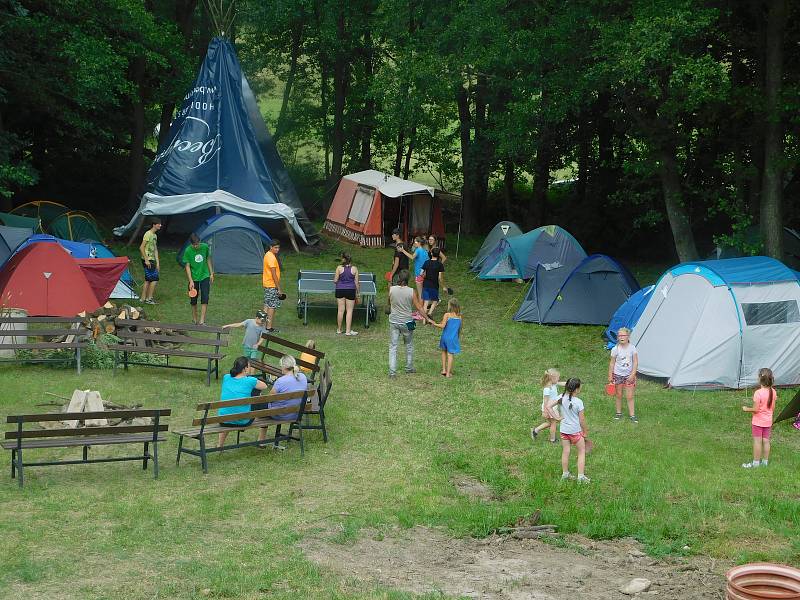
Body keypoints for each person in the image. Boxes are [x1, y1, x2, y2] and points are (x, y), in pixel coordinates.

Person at [387, 269, 433, 378]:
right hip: (407, 322)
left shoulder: (391, 289)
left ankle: (392, 372)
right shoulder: (412, 291)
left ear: (398, 278)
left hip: (394, 321)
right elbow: (419, 308)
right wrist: (427, 318)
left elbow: (389, 302)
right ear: (408, 279)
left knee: (393, 347)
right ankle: (409, 367)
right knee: (409, 345)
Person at [217, 357, 268, 448]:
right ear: (244, 369)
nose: (250, 368)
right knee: (259, 400)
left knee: (231, 408)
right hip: (243, 421)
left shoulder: (226, 377)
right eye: (249, 366)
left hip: (223, 419)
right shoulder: (250, 380)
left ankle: (219, 445)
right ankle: (261, 440)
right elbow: (264, 386)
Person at [546, 377, 590, 483]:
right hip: (575, 432)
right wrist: (585, 431)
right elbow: (582, 419)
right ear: (576, 389)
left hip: (564, 431)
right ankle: (580, 477)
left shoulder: (561, 397)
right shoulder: (578, 402)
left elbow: (548, 406)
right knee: (581, 452)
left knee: (566, 451)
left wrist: (556, 418)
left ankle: (565, 474)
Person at [261, 355, 309, 449]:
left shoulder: (280, 381)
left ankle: (261, 440)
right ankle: (261, 441)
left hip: (280, 414)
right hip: (296, 414)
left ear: (284, 367)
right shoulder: (303, 377)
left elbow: (269, 398)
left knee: (262, 406)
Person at [742, 367, 776, 468]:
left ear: (759, 379)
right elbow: (772, 407)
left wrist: (746, 409)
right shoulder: (773, 391)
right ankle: (764, 463)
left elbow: (756, 409)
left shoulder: (758, 393)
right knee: (766, 441)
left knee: (757, 441)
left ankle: (755, 464)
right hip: (768, 421)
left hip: (758, 422)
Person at [608, 327, 638, 422]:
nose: (621, 337)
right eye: (619, 335)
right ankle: (618, 413)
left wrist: (633, 374)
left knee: (629, 396)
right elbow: (612, 363)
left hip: (629, 375)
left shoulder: (632, 348)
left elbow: (635, 362)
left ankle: (632, 415)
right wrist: (610, 375)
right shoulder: (615, 349)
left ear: (628, 336)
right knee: (618, 394)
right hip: (618, 375)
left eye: (623, 335)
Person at [183, 233, 214, 324]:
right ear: (191, 244)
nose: (196, 246)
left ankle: (202, 320)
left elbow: (208, 259)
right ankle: (194, 319)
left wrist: (211, 273)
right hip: (193, 277)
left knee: (205, 297)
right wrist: (191, 281)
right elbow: (187, 266)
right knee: (193, 298)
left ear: (200, 242)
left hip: (205, 275)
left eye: (198, 244)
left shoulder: (205, 247)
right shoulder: (188, 250)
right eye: (194, 245)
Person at [531, 368, 565, 443]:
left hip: (553, 407)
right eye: (558, 378)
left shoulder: (553, 383)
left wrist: (571, 383)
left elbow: (562, 383)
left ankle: (535, 430)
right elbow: (545, 401)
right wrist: (545, 411)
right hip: (549, 408)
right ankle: (552, 439)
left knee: (551, 423)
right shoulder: (547, 389)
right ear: (552, 378)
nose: (559, 379)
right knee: (553, 423)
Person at [432, 298, 462, 378]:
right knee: (450, 354)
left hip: (445, 337)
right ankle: (448, 373)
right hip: (453, 338)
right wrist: (457, 337)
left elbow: (442, 325)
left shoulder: (447, 315)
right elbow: (459, 329)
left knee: (444, 351)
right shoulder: (459, 317)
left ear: (450, 306)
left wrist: (434, 324)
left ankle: (444, 370)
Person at [333, 252, 360, 336]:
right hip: (350, 290)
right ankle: (348, 331)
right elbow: (356, 282)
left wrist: (336, 280)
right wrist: (358, 293)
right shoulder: (355, 269)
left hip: (340, 290)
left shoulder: (339, 268)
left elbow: (335, 281)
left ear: (343, 259)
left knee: (340, 310)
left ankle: (339, 330)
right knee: (349, 311)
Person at [262, 239, 283, 332]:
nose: (277, 249)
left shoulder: (267, 254)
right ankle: (268, 327)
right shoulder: (271, 258)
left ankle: (261, 326)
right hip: (271, 285)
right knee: (272, 306)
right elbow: (274, 274)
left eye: (278, 248)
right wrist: (279, 288)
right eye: (275, 248)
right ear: (271, 247)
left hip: (267, 284)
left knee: (266, 305)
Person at [139, 217, 161, 305]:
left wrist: (158, 262)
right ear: (154, 225)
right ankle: (149, 299)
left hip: (152, 259)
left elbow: (155, 249)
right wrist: (146, 260)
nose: (160, 225)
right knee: (155, 279)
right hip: (147, 259)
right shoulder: (148, 234)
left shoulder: (155, 236)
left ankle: (143, 298)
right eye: (159, 224)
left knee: (148, 279)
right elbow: (141, 247)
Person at [420, 247, 446, 316]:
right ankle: (430, 313)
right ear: (438, 255)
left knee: (426, 301)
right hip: (434, 285)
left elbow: (421, 273)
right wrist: (443, 286)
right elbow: (440, 277)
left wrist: (424, 276)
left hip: (426, 284)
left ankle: (424, 319)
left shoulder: (426, 262)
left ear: (431, 254)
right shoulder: (440, 264)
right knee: (435, 300)